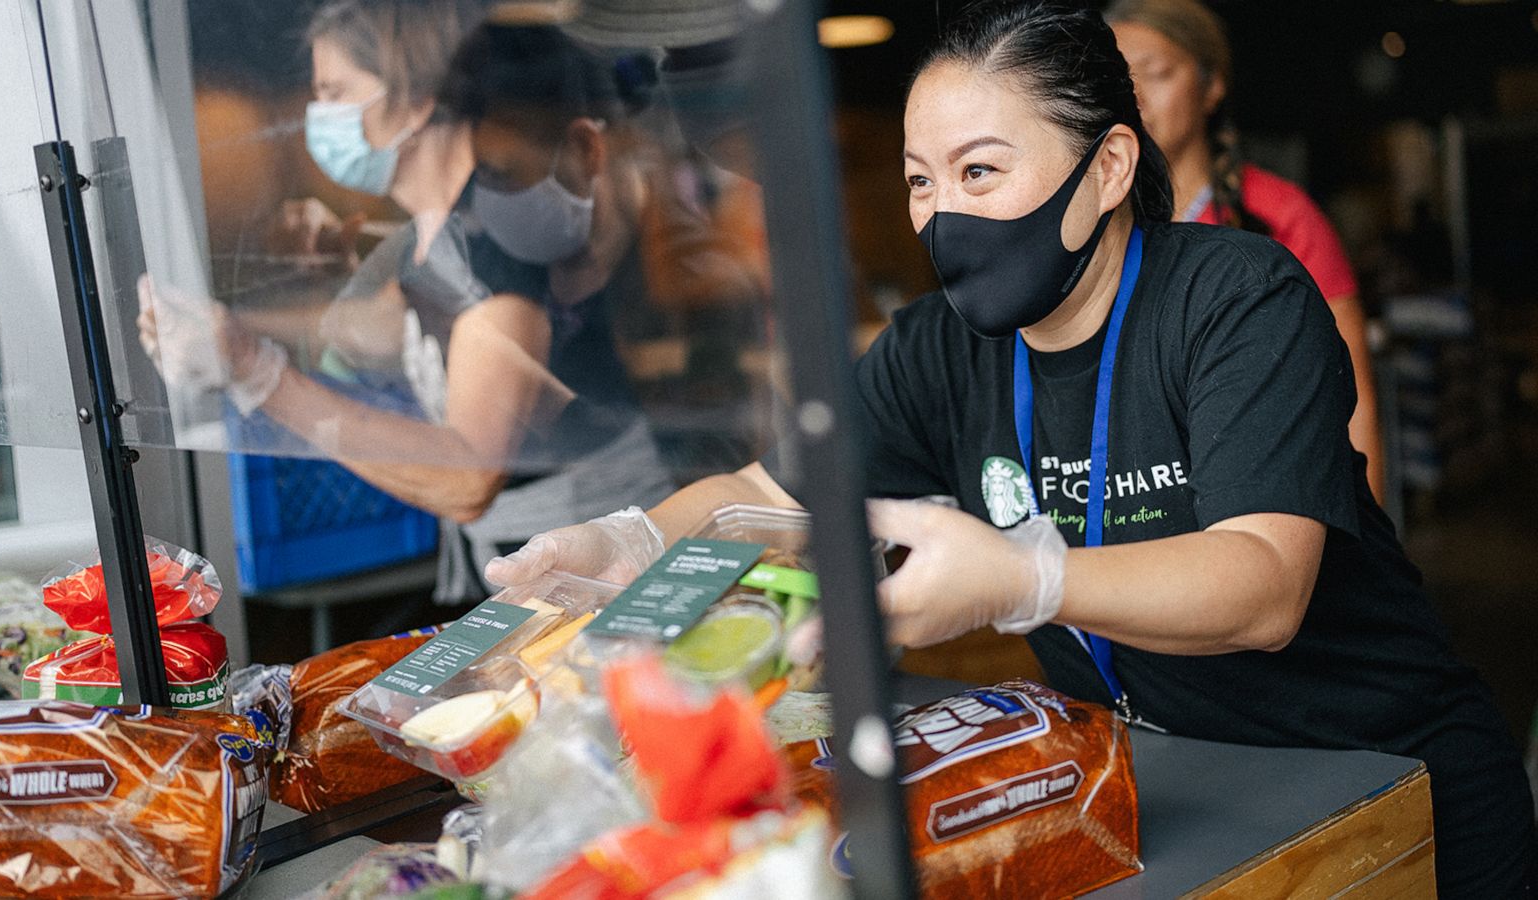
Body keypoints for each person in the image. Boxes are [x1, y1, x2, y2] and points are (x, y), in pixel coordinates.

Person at [481, 1, 1537, 894]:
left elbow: (1264, 587)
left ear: (1109, 165)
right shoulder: (939, 349)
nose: (943, 217)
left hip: (1384, 774)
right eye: (919, 181)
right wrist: (631, 542)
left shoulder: (1237, 300)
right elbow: (762, 493)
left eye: (980, 172)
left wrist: (1024, 579)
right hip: (1163, 784)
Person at [141, 0, 679, 602]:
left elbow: (468, 477)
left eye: (336, 92)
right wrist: (234, 327)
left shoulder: (492, 241)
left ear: (418, 100)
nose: (317, 118)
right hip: (526, 550)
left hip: (596, 561)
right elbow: (382, 324)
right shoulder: (435, 232)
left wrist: (258, 375)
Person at [1105, 0, 1386, 504]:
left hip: (1268, 498)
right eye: (1120, 78)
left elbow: (1354, 396)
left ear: (1211, 87)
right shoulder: (1093, 223)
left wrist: (1365, 553)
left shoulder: (1278, 216)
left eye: (1157, 73)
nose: (1135, 96)